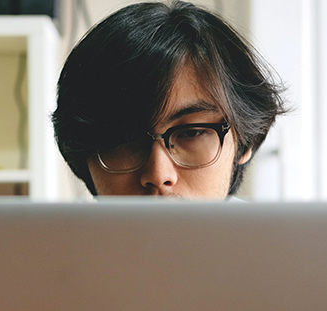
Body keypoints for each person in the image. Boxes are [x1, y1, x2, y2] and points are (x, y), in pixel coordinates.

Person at [52, 0, 287, 200]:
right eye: (124, 139)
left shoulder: (290, 252)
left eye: (192, 132)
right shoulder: (41, 252)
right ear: (83, 158)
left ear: (245, 143)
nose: (158, 175)